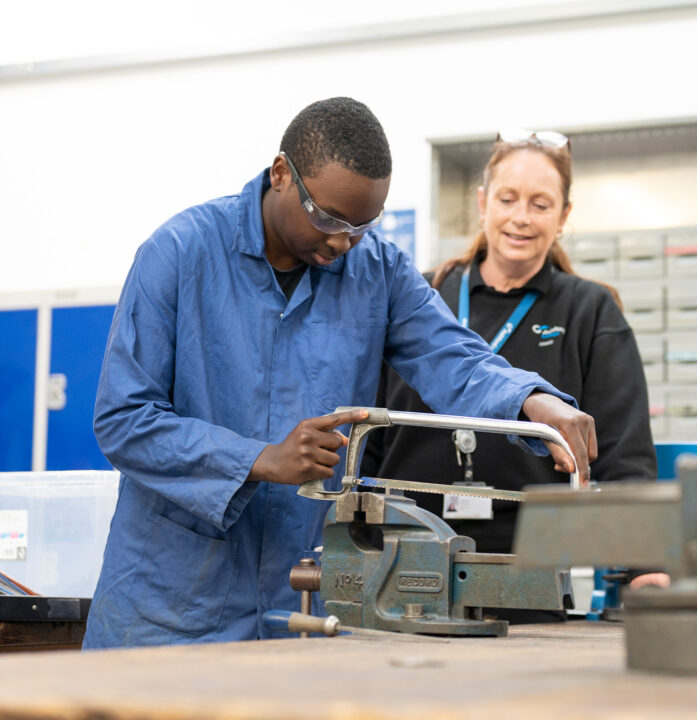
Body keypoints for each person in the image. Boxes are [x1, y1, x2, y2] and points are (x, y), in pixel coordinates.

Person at [83, 102, 597, 650]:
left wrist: (534, 402)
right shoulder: (180, 254)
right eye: (328, 218)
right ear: (282, 174)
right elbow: (124, 418)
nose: (342, 242)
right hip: (169, 610)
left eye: (362, 224)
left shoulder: (376, 269)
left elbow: (455, 358)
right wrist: (260, 459)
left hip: (302, 603)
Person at [361, 129, 669, 611]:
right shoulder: (420, 300)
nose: (521, 217)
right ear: (483, 202)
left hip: (528, 577)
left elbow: (623, 455)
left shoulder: (590, 311)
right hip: (401, 565)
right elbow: (373, 434)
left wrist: (648, 566)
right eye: (507, 199)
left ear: (564, 216)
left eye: (540, 204)